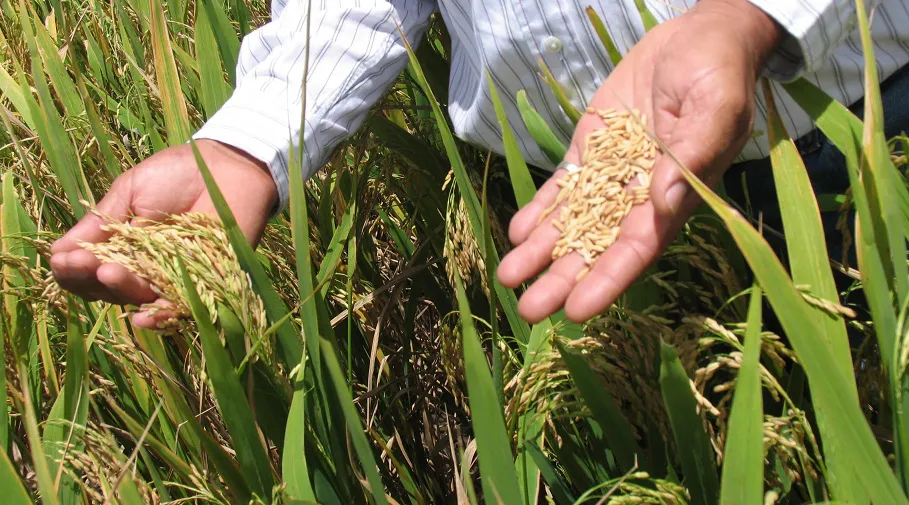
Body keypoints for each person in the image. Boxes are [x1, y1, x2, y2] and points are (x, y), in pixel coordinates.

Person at [49, 0, 909, 328]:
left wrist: (749, 16)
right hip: (578, 190)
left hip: (831, 109)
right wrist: (249, 140)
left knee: (857, 339)